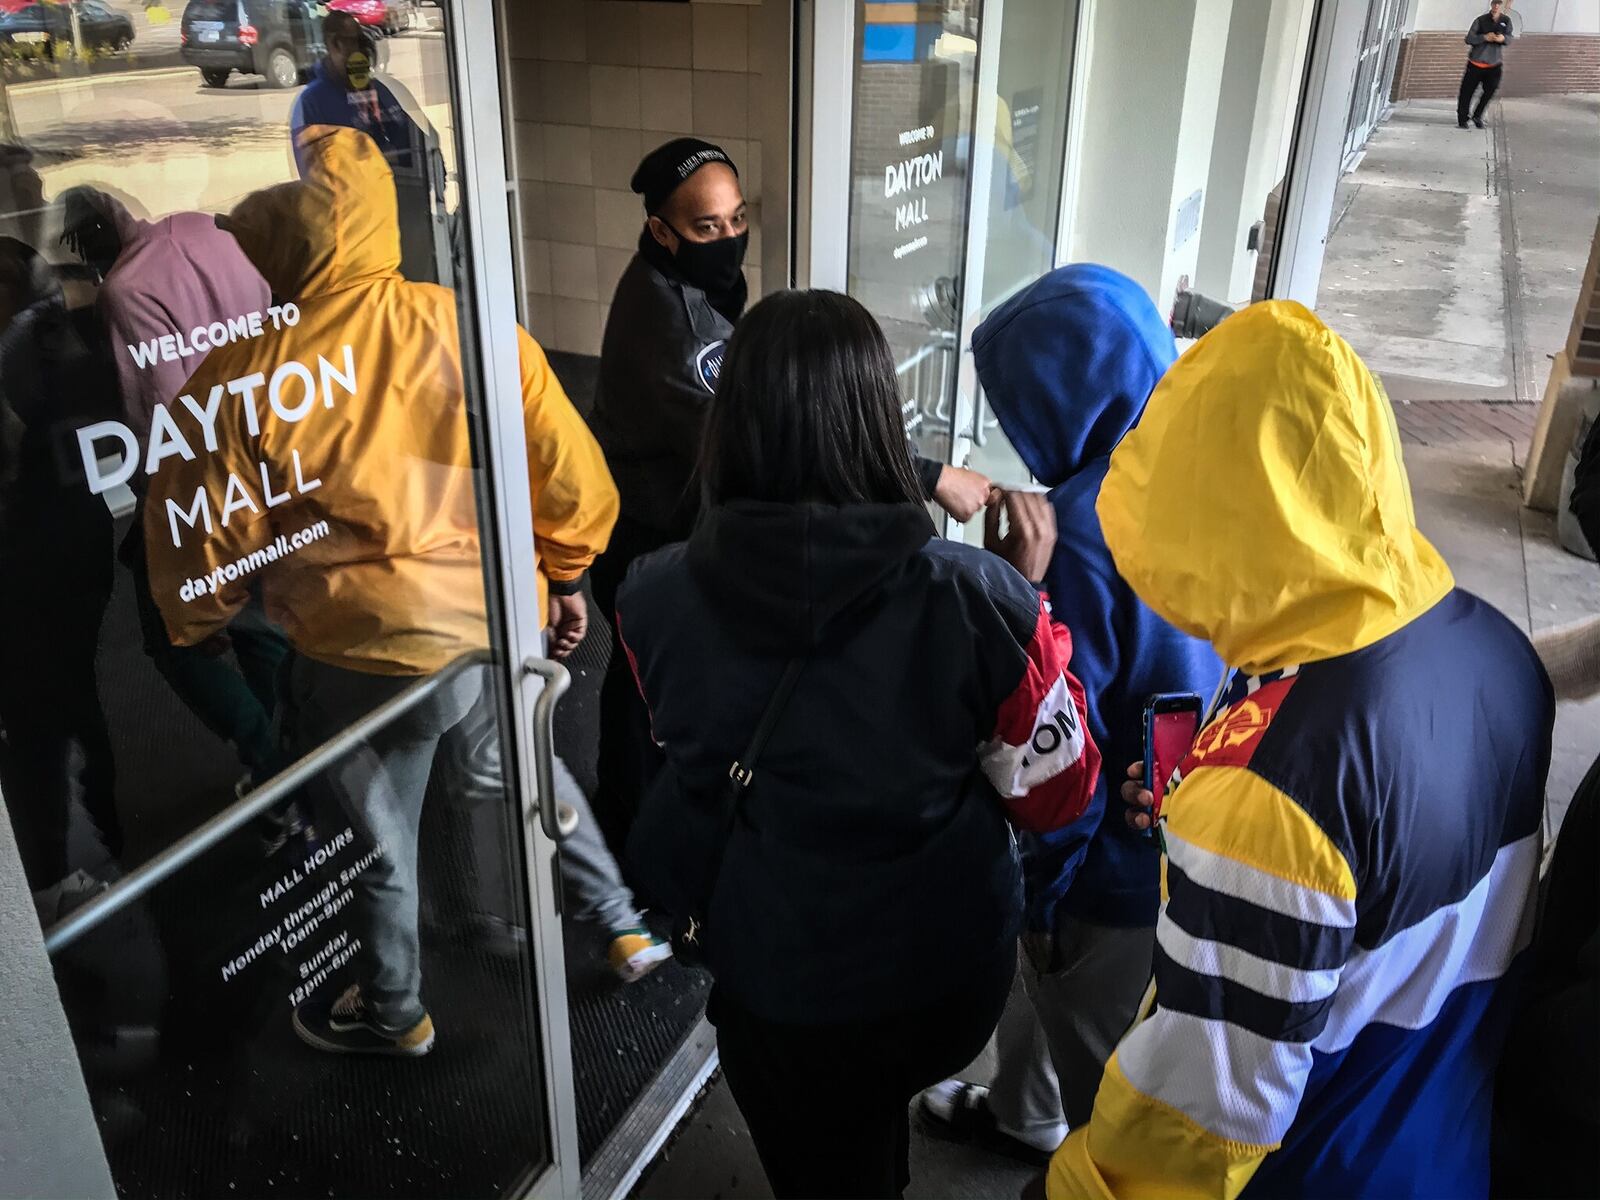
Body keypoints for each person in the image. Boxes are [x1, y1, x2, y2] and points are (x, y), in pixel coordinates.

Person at [143, 126, 665, 1055]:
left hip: (357, 654)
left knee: (378, 839)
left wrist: (200, 624)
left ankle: (395, 1009)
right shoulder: (470, 328)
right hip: (484, 623)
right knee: (526, 770)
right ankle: (623, 924)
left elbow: (204, 533)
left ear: (281, 250)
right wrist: (567, 576)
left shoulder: (247, 377)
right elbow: (572, 481)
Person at [1046, 300, 1552, 1199]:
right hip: (1440, 1143)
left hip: (1312, 1170)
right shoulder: (1496, 651)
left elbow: (1190, 1131)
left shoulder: (1268, 798)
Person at [615, 288, 1102, 1199]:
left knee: (826, 1166)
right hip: (939, 975)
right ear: (882, 421)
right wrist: (1029, 595)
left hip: (776, 981)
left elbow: (683, 744)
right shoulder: (976, 599)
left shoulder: (652, 596)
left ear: (732, 425)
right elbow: (1056, 794)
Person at [587, 137, 992, 850]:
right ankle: (640, 847)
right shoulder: (679, 334)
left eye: (737, 219)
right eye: (707, 228)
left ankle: (634, 824)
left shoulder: (681, 283)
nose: (730, 239)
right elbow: (777, 429)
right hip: (653, 536)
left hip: (664, 519)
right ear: (660, 230)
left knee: (642, 689)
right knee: (647, 697)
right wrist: (930, 475)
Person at [919, 265, 1223, 1157]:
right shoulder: (1191, 472)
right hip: (1181, 812)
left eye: (1021, 404)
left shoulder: (1086, 532)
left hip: (1105, 867)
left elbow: (1055, 743)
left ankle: (1080, 1158)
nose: (1015, 428)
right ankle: (1022, 1115)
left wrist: (1016, 595)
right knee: (1045, 1003)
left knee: (1100, 1062)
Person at [58, 187, 292, 808]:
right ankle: (295, 759)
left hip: (199, 494)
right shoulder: (225, 240)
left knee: (173, 639)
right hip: (266, 465)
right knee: (264, 626)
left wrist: (161, 540)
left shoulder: (126, 292)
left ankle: (275, 769)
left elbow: (158, 427)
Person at [0, 237, 122, 888]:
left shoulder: (24, 349)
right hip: (77, 529)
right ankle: (98, 839)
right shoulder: (60, 334)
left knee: (42, 717)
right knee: (73, 697)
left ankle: (67, 868)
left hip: (42, 544)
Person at [290, 10, 445, 283]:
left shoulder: (381, 90)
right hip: (356, 230)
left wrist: (434, 175)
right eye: (349, 42)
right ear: (333, 44)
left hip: (404, 216)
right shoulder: (312, 103)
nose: (356, 50)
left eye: (359, 41)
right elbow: (314, 178)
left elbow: (419, 141)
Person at [1459, 0, 1514, 130]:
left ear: (1502, 6)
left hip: (1494, 65)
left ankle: (1477, 115)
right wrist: (1484, 37)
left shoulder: (1506, 21)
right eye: (1494, 4)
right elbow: (1469, 39)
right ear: (1491, 5)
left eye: (1499, 4)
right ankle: (1462, 119)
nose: (1496, 6)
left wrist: (1503, 39)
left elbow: (1509, 37)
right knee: (1467, 93)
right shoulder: (1480, 20)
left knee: (1490, 91)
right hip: (1476, 63)